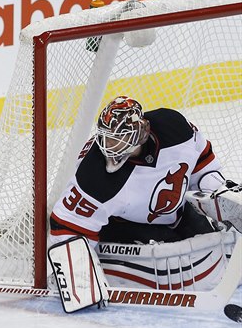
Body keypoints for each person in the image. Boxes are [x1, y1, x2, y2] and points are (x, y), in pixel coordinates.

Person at [49, 95, 240, 291]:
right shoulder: (95, 174)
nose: (109, 146)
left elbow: (201, 161)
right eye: (107, 137)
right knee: (181, 260)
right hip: (124, 225)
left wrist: (219, 191)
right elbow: (65, 223)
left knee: (218, 245)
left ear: (140, 133)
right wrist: (78, 276)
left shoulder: (174, 127)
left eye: (119, 139)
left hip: (177, 212)